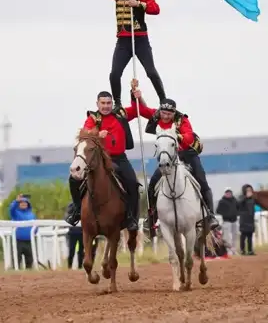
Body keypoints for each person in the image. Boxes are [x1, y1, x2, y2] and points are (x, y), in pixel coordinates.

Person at [132, 83, 220, 235]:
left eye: (169, 114)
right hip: (168, 157)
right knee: (153, 183)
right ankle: (151, 217)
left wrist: (177, 136)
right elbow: (143, 110)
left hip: (187, 154)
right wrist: (137, 97)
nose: (165, 116)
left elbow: (190, 136)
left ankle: (210, 215)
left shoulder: (182, 120)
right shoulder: (157, 116)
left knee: (201, 180)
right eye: (164, 113)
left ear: (174, 113)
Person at [87, 0, 165, 107]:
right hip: (123, 41)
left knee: (151, 72)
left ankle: (163, 100)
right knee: (114, 74)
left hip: (140, 39)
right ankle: (118, 104)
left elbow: (155, 9)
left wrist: (137, 4)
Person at [65, 87, 143, 232]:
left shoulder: (120, 114)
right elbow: (85, 133)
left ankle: (132, 217)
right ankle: (76, 209)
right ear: (97, 104)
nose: (106, 106)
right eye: (103, 103)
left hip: (119, 158)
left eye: (108, 103)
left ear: (112, 103)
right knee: (73, 179)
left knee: (133, 183)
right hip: (99, 159)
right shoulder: (93, 118)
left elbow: (137, 109)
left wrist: (136, 96)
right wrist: (97, 134)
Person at [64, 202, 98, 269]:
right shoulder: (72, 205)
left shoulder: (87, 204)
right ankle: (69, 267)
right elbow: (67, 216)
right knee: (71, 250)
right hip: (72, 233)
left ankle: (80, 267)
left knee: (81, 251)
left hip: (82, 233)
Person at [9, 194, 36, 269]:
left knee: (30, 260)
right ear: (19, 204)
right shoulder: (15, 213)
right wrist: (16, 201)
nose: (23, 204)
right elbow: (11, 209)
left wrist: (34, 232)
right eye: (21, 202)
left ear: (28, 204)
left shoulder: (32, 214)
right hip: (18, 241)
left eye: (25, 202)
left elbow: (36, 225)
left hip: (29, 241)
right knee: (17, 261)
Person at [216, 188, 239, 254]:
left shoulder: (235, 200)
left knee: (235, 235)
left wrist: (236, 213)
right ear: (225, 193)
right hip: (226, 221)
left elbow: (238, 208)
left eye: (229, 192)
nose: (228, 194)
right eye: (227, 192)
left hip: (234, 220)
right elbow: (218, 210)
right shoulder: (222, 201)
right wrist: (226, 214)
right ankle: (229, 250)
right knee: (227, 237)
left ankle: (234, 249)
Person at [237, 184, 256, 255]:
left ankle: (250, 250)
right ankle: (242, 250)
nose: (249, 192)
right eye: (247, 190)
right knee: (243, 236)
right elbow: (238, 205)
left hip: (250, 219)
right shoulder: (241, 198)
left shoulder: (253, 199)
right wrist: (245, 197)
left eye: (250, 190)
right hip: (244, 220)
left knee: (250, 236)